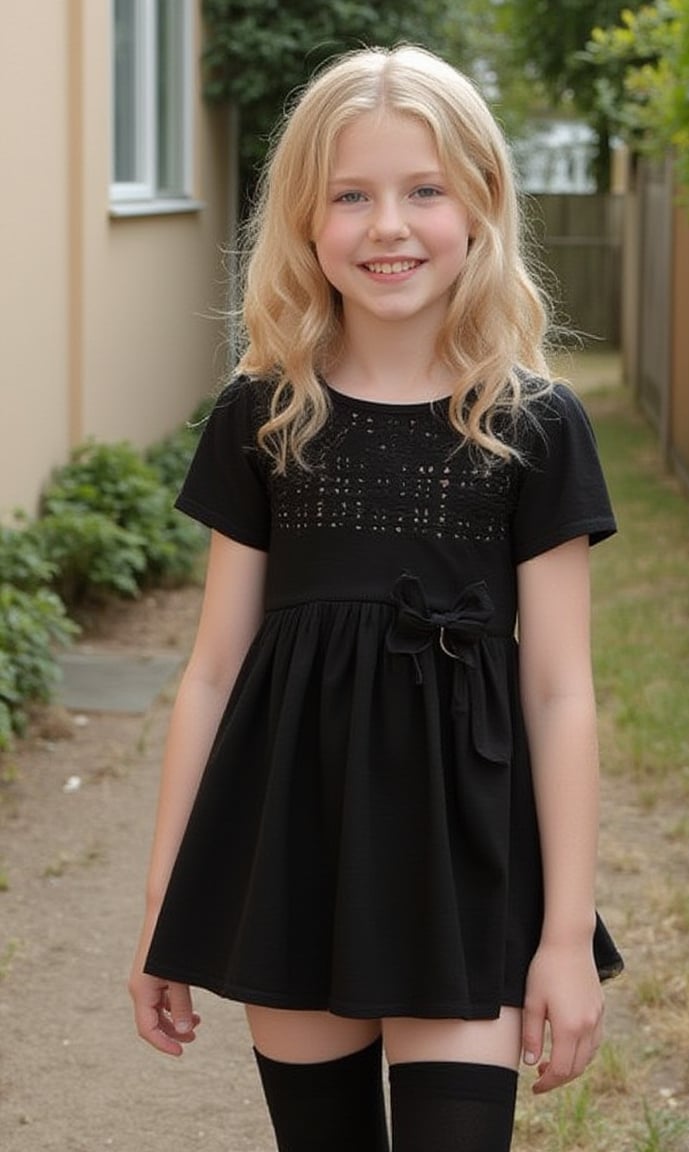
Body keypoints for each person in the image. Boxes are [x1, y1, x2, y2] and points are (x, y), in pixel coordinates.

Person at [128, 44, 623, 1152]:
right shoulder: (262, 418)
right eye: (351, 195)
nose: (387, 225)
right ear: (306, 220)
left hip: (471, 863)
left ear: (483, 205)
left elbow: (558, 693)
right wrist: (168, 904)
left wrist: (564, 934)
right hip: (292, 849)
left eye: (423, 191)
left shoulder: (535, 427)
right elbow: (211, 674)